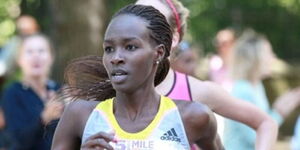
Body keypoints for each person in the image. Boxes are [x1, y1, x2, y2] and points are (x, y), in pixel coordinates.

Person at [52, 4, 223, 150]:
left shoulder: (193, 116)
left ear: (159, 53)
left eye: (130, 47)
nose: (116, 57)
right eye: (109, 48)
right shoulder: (80, 115)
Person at [135, 0, 278, 149]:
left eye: (153, 20)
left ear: (174, 38)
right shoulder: (112, 90)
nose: (139, 26)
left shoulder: (196, 91)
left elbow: (266, 123)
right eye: (134, 14)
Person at [224, 29, 300, 150]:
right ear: (254, 59)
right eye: (269, 53)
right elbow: (257, 138)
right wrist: (279, 112)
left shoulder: (256, 86)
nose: (273, 57)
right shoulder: (243, 91)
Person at [1, 34, 63, 150]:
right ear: (19, 60)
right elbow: (16, 141)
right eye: (29, 52)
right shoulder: (13, 93)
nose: (36, 56)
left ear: (51, 57)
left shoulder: (59, 90)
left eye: (41, 51)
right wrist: (44, 119)